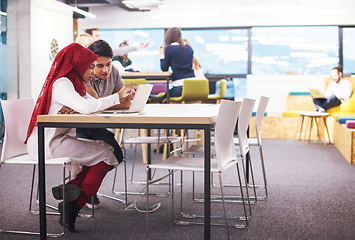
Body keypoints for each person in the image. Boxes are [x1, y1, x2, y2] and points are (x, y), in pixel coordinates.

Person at [25, 43, 135, 230]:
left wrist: (115, 98)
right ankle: (74, 201)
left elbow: (93, 104)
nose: (93, 71)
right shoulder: (62, 83)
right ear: (78, 64)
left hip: (55, 139)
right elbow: (87, 107)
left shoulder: (74, 84)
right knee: (107, 153)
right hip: (45, 143)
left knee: (106, 152)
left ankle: (73, 194)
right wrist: (118, 96)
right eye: (90, 66)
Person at [76, 40, 138, 209]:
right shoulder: (83, 74)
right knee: (98, 156)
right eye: (99, 66)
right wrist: (114, 99)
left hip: (100, 128)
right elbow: (94, 103)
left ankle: (81, 188)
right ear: (90, 64)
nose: (105, 70)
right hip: (78, 128)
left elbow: (126, 103)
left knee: (116, 154)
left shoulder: (114, 72)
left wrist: (106, 101)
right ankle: (88, 191)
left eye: (108, 64)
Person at [158, 27, 196, 103]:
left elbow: (164, 68)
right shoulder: (189, 48)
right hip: (193, 85)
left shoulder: (170, 48)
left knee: (162, 101)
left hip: (180, 86)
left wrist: (162, 54)